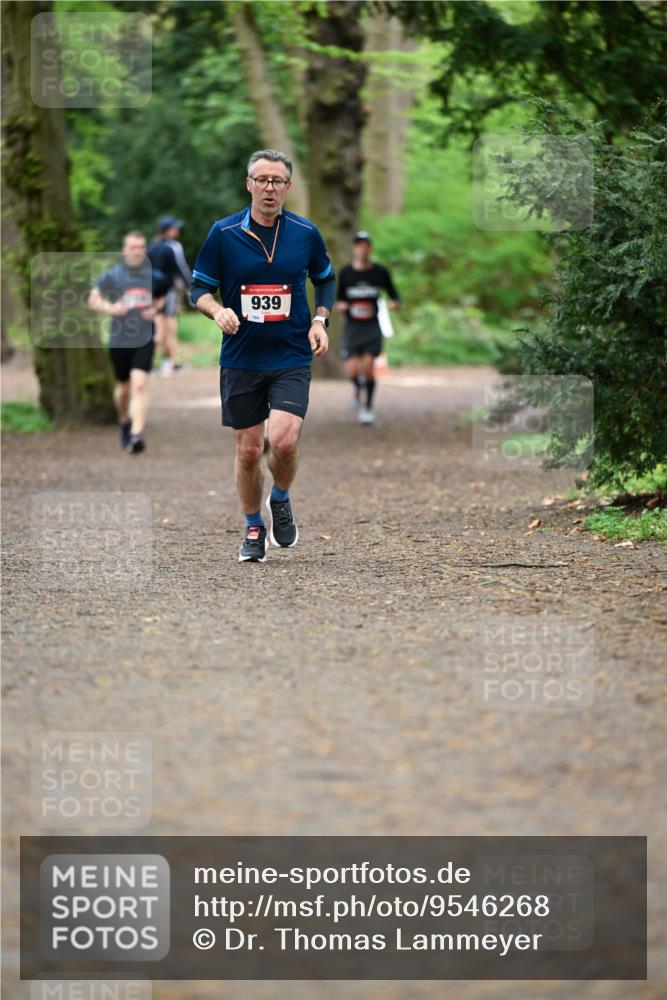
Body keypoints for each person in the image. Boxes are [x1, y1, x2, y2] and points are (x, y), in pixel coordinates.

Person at [190, 148, 336, 563]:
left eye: (277, 181)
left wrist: (319, 320)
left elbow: (326, 280)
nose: (269, 188)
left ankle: (281, 498)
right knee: (250, 450)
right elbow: (197, 288)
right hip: (242, 357)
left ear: (288, 187)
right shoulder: (224, 233)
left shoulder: (305, 233)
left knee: (284, 443)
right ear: (249, 184)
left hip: (291, 353)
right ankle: (253, 526)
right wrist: (218, 311)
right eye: (262, 179)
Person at [88, 231, 169, 453]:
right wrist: (111, 308)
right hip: (119, 339)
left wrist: (155, 309)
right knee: (123, 388)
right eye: (133, 247)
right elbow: (93, 299)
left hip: (144, 338)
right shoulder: (112, 276)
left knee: (140, 384)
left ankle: (136, 434)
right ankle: (124, 420)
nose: (137, 251)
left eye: (141, 247)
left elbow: (163, 295)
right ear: (124, 250)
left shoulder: (155, 275)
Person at [336, 231, 400, 425]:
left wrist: (393, 304)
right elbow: (339, 299)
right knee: (352, 371)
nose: (362, 249)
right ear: (354, 248)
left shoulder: (380, 272)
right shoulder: (346, 272)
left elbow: (394, 295)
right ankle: (357, 389)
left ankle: (368, 408)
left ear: (370, 248)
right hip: (353, 328)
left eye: (365, 245)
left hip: (372, 327)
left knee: (369, 368)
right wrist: (341, 306)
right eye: (358, 245)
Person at [147, 215, 192, 375]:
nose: (178, 230)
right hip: (168, 292)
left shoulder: (153, 246)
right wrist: (193, 288)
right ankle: (172, 363)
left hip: (152, 292)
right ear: (169, 230)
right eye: (175, 227)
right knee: (169, 326)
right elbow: (182, 268)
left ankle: (156, 363)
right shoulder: (173, 246)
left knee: (157, 326)